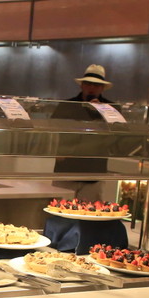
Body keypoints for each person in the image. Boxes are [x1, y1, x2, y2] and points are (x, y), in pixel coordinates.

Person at [51, 64, 115, 201]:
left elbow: (116, 134)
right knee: (59, 211)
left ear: (102, 88)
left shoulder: (111, 108)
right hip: (66, 169)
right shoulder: (67, 105)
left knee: (89, 212)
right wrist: (56, 151)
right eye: (88, 84)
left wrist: (101, 112)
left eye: (96, 85)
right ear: (82, 85)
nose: (91, 87)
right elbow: (52, 130)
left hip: (94, 172)